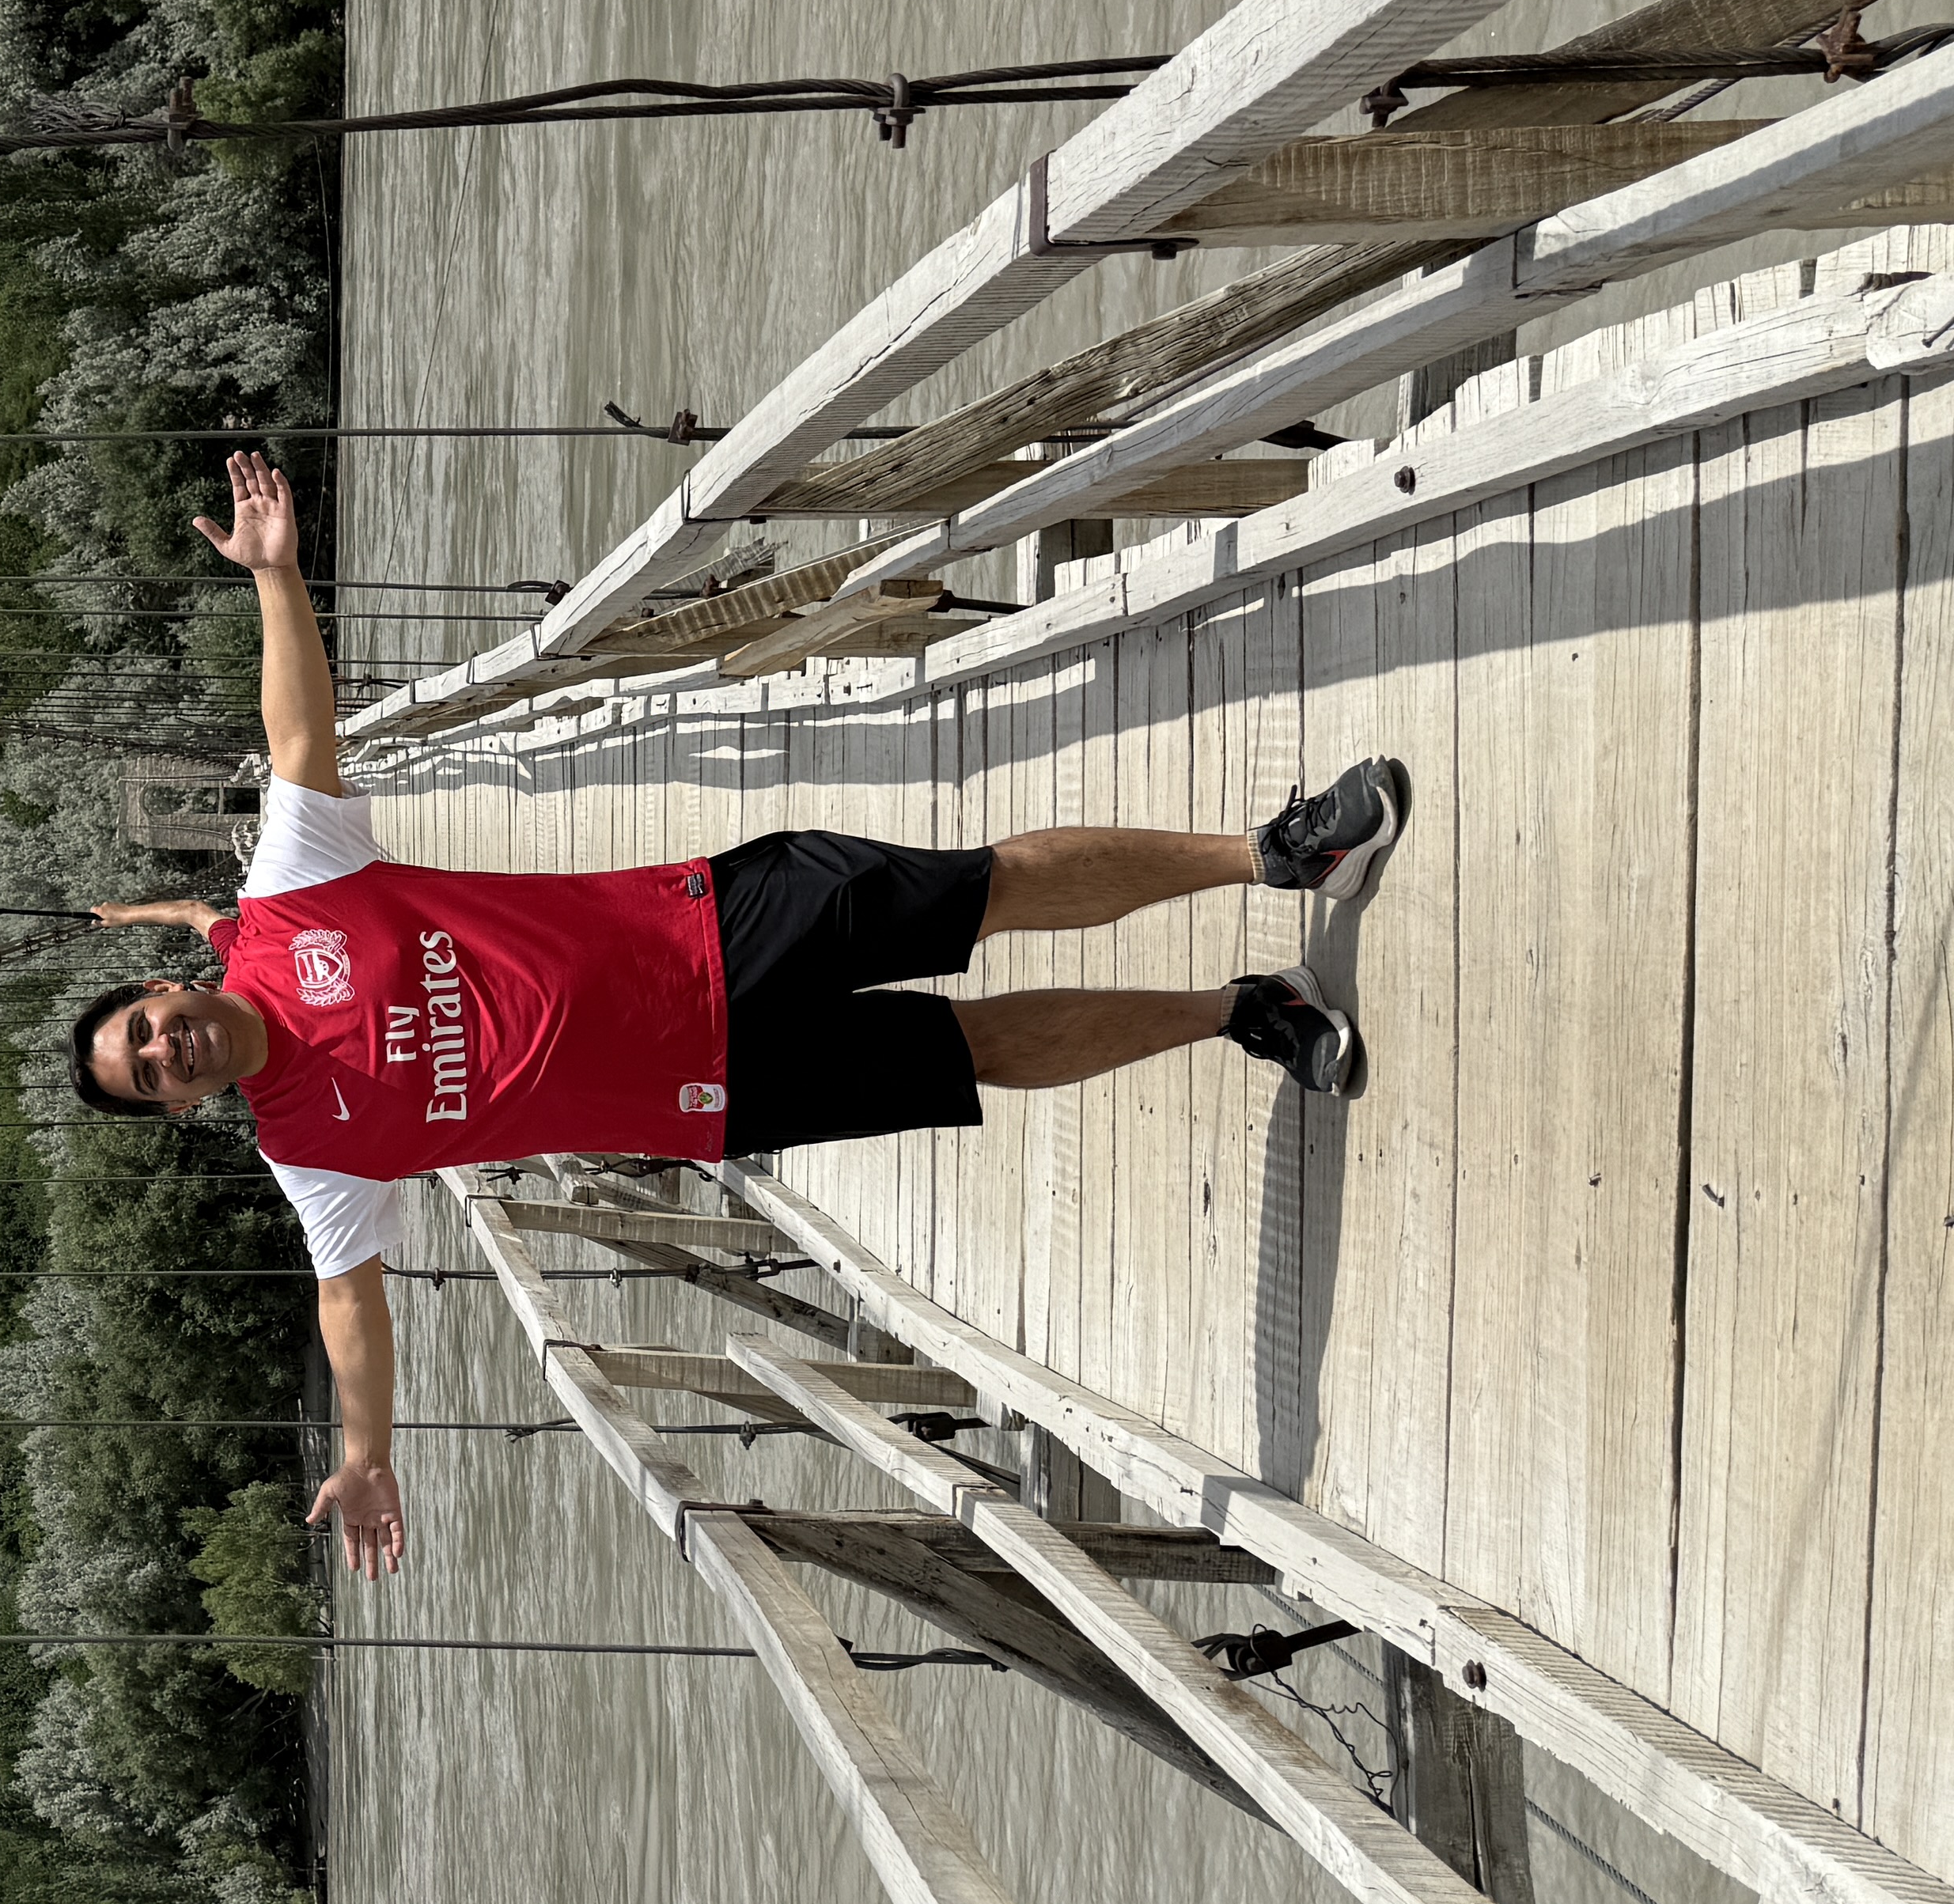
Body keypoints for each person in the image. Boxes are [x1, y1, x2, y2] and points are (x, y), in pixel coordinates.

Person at [72, 452, 1407, 1581]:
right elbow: (348, 1310)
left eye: (145, 1031)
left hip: (707, 920)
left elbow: (299, 739)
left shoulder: (287, 894)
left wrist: (275, 578)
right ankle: (1243, 1012)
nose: (163, 1053)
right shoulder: (311, 1151)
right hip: (710, 1091)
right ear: (181, 1108)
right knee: (974, 1049)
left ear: (167, 991)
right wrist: (365, 1453)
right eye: (150, 1080)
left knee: (980, 894)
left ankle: (1274, 853)